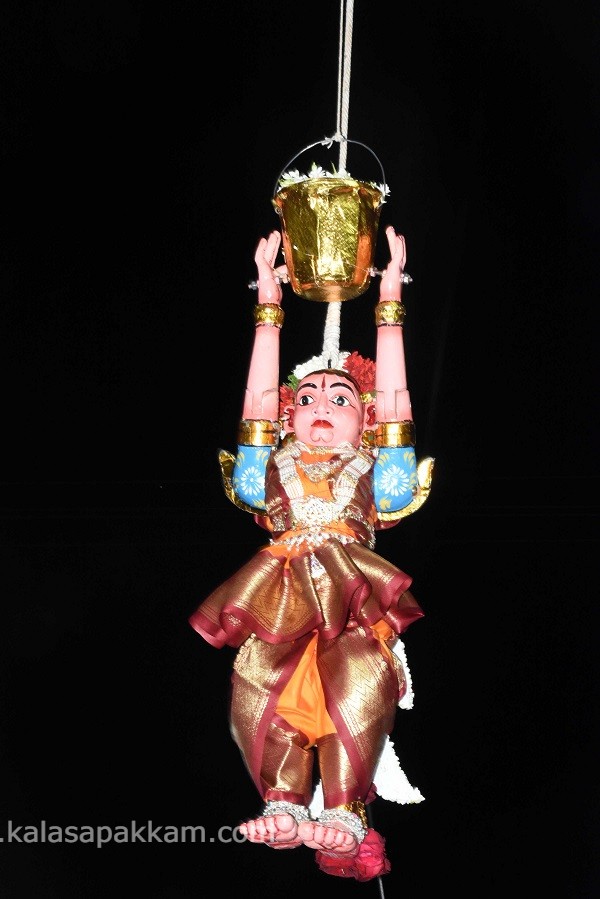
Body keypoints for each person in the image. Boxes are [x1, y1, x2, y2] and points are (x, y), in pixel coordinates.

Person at [188, 225, 433, 882]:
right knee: (261, 683)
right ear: (287, 418)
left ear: (367, 421)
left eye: (340, 398)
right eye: (306, 398)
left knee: (356, 677)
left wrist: (389, 303)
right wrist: (267, 306)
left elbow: (396, 403)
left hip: (349, 591)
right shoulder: (262, 473)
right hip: (281, 593)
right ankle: (285, 801)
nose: (321, 404)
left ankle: (346, 811)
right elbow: (255, 406)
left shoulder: (381, 474)